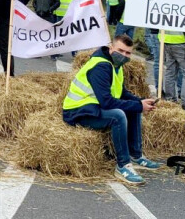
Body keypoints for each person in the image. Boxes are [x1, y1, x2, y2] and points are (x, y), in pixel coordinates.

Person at [62, 35, 160, 184]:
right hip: (78, 111)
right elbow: (107, 102)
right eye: (120, 50)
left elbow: (121, 93)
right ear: (111, 48)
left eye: (128, 53)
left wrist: (139, 101)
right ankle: (123, 166)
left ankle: (136, 155)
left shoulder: (116, 66)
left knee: (132, 108)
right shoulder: (101, 66)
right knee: (118, 115)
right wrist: (139, 106)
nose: (124, 55)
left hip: (93, 107)